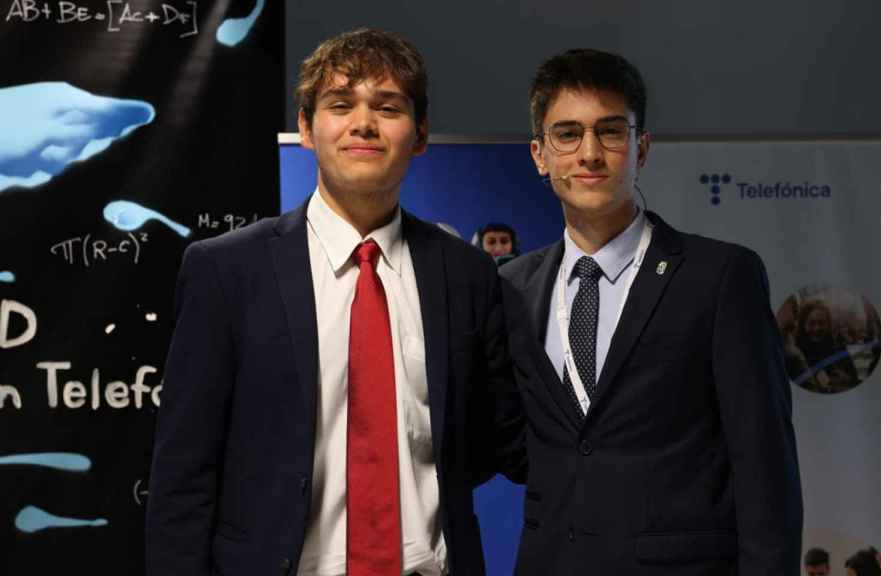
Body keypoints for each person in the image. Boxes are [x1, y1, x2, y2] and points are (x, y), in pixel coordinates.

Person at [146, 28, 524, 576]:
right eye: (340, 104)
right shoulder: (226, 273)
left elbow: (492, 444)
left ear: (419, 135)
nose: (363, 123)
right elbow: (184, 475)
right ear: (306, 127)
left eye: (388, 107)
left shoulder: (466, 274)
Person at [499, 48, 802, 574]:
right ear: (539, 155)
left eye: (611, 132)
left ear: (641, 148)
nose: (589, 153)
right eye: (567, 134)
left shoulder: (720, 277)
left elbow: (765, 467)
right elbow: (522, 446)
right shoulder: (511, 287)